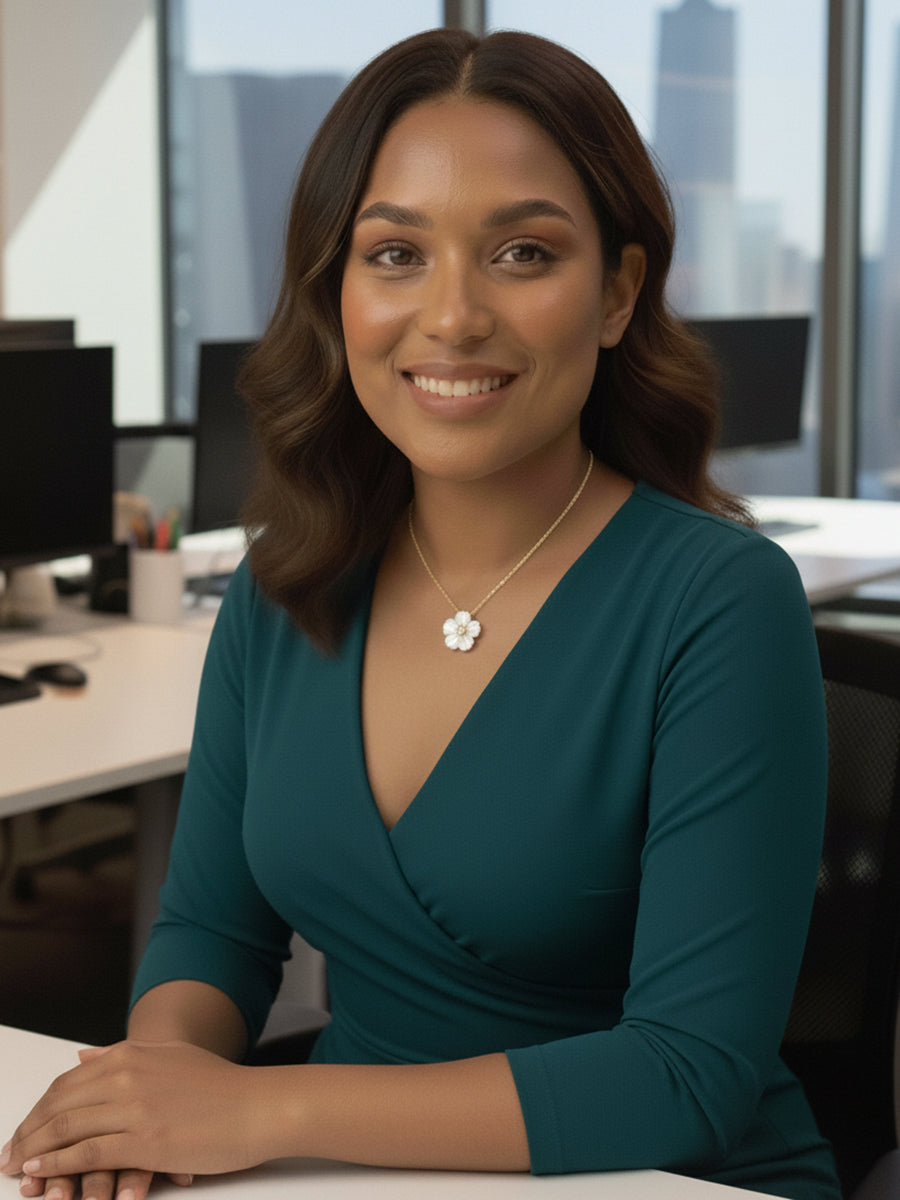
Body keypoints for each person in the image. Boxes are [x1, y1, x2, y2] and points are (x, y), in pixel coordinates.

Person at [1, 26, 841, 1200]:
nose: (452, 317)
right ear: (336, 291)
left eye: (523, 253)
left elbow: (687, 1077)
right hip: (351, 1176)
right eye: (395, 253)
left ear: (616, 293)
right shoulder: (286, 585)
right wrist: (153, 1098)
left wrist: (257, 1109)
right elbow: (213, 936)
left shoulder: (718, 600)